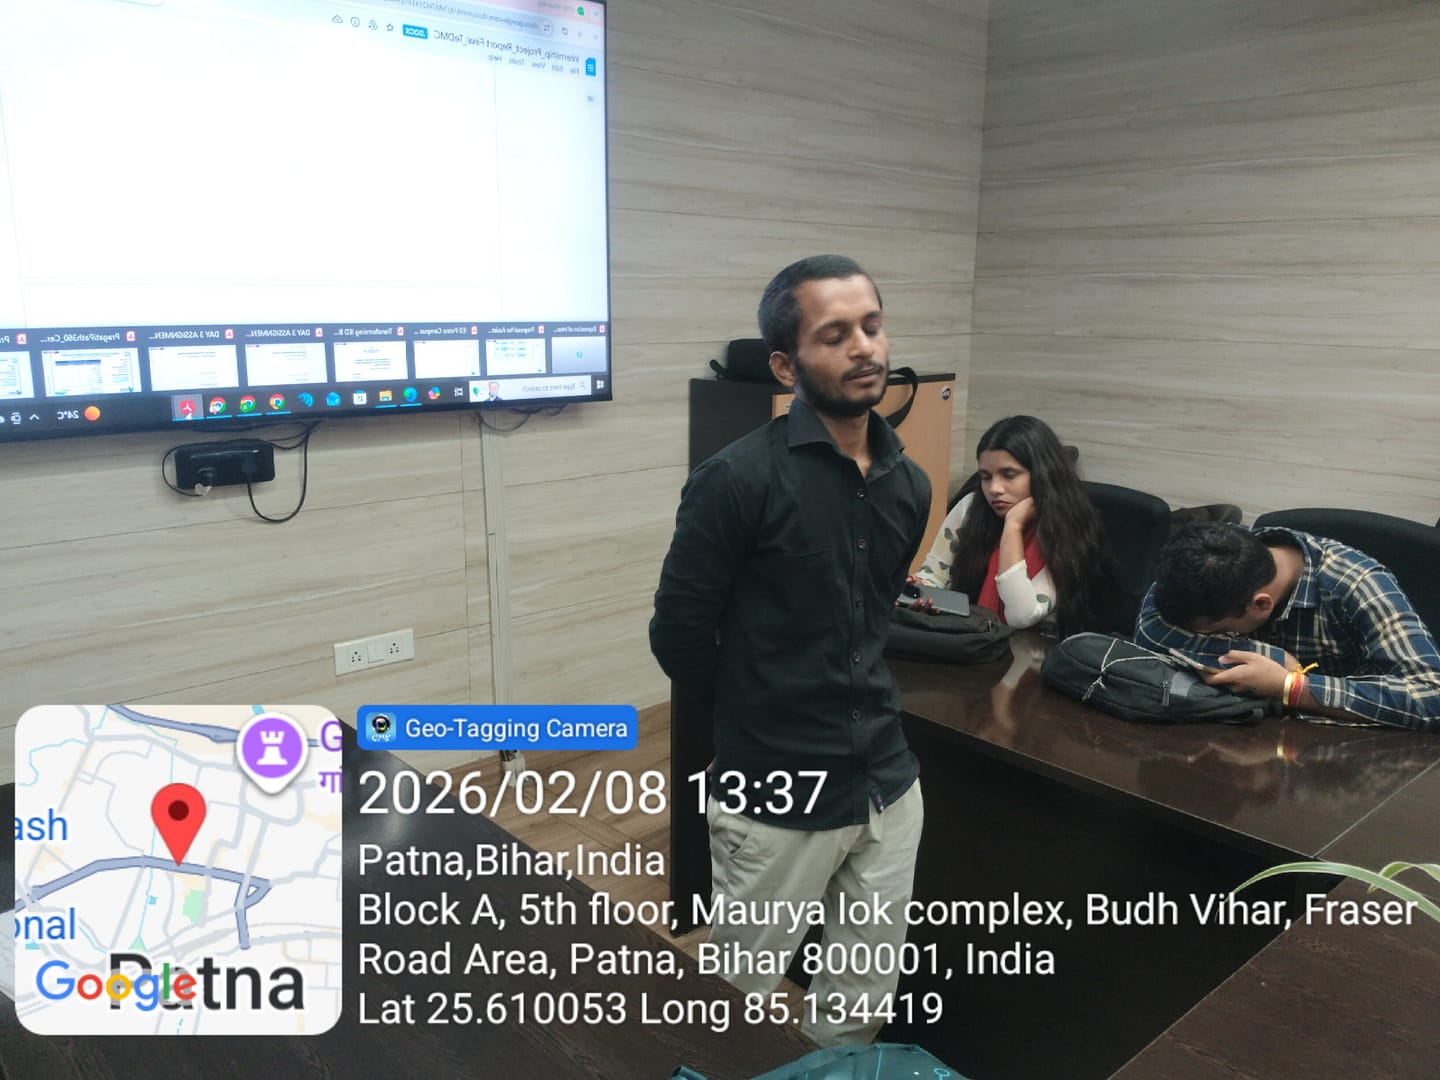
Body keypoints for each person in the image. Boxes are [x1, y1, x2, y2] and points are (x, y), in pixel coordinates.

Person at [650, 254, 928, 1046]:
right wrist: (761, 705)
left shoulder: (908, 483)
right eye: (834, 335)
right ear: (785, 365)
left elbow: (869, 622)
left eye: (871, 326)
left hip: (886, 782)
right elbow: (677, 633)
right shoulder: (736, 480)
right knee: (734, 1004)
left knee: (859, 1000)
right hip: (777, 786)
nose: (864, 348)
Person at [1136, 523, 1440, 730]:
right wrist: (1273, 657)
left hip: (1353, 760)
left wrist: (1291, 686)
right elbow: (1151, 629)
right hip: (1257, 736)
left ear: (1261, 604)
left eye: (1216, 633)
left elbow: (1432, 697)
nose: (1216, 640)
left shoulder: (1358, 584)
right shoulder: (1205, 563)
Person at [913, 415, 1121, 635]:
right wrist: (919, 589)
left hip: (1038, 648)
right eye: (986, 477)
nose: (994, 489)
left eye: (1009, 475)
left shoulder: (1068, 531)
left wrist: (1012, 527)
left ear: (1042, 475)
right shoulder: (971, 508)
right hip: (969, 638)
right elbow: (934, 574)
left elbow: (1021, 615)